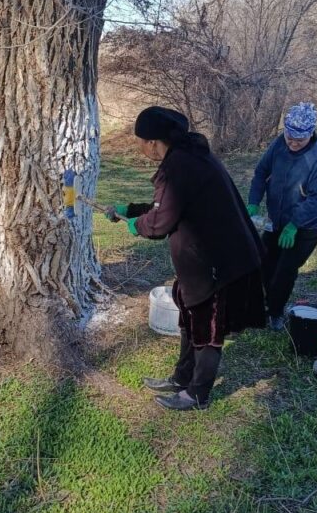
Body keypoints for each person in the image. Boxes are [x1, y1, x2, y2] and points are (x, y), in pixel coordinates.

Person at [105, 106, 266, 411]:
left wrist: (136, 225)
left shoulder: (180, 167)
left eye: (141, 141)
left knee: (208, 331)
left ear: (154, 142)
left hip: (221, 264)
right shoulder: (188, 156)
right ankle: (182, 378)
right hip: (202, 261)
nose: (139, 148)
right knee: (191, 321)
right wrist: (131, 209)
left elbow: (160, 223)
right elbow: (166, 205)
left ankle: (197, 394)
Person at [246, 101, 317, 331]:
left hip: (307, 226)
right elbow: (261, 172)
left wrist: (295, 224)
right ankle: (265, 302)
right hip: (277, 218)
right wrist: (254, 202)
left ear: (311, 133)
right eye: (289, 138)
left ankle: (275, 313)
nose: (293, 144)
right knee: (265, 261)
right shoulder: (279, 144)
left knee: (285, 270)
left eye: (299, 140)